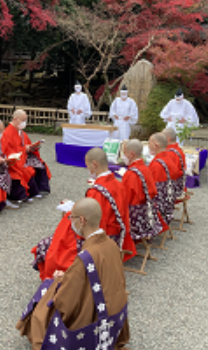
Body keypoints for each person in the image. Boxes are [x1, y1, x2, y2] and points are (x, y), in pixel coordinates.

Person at [17, 198, 130, 350]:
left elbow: (66, 303)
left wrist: (59, 283)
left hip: (92, 319)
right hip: (115, 314)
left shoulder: (86, 256)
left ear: (81, 220)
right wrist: (68, 276)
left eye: (71, 217)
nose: (70, 221)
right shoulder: (111, 244)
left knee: (43, 301)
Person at [32, 148, 135, 281]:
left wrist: (72, 212)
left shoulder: (96, 191)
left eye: (87, 166)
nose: (88, 169)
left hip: (99, 237)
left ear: (94, 164)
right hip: (117, 235)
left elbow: (90, 223)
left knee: (51, 244)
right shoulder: (118, 184)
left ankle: (58, 277)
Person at [2, 109, 51, 203]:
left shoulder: (21, 132)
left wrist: (33, 147)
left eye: (25, 120)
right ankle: (26, 194)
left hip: (23, 157)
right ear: (15, 119)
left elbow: (27, 144)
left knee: (40, 164)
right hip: (15, 160)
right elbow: (8, 151)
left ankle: (41, 188)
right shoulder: (7, 133)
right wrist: (25, 149)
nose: (24, 123)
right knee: (27, 170)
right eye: (23, 120)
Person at [121, 139, 162, 242]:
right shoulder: (146, 168)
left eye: (124, 152)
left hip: (135, 222)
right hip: (149, 217)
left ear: (131, 154)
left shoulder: (131, 174)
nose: (123, 155)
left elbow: (124, 200)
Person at [148, 133, 181, 227]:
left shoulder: (156, 165)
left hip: (157, 207)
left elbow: (151, 190)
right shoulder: (169, 161)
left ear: (155, 145)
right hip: (168, 204)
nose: (148, 146)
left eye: (149, 143)